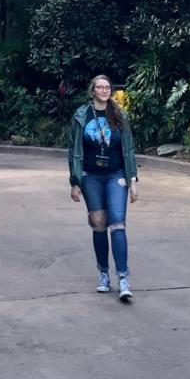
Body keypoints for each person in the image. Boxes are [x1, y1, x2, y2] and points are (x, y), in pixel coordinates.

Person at [68, 74, 139, 302]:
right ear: (93, 91)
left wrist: (133, 179)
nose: (104, 90)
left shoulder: (120, 115)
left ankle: (123, 278)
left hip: (116, 175)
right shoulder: (81, 115)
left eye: (107, 87)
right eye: (100, 87)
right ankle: (103, 274)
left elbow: (128, 149)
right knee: (99, 223)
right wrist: (75, 181)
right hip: (91, 176)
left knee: (117, 223)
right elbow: (74, 149)